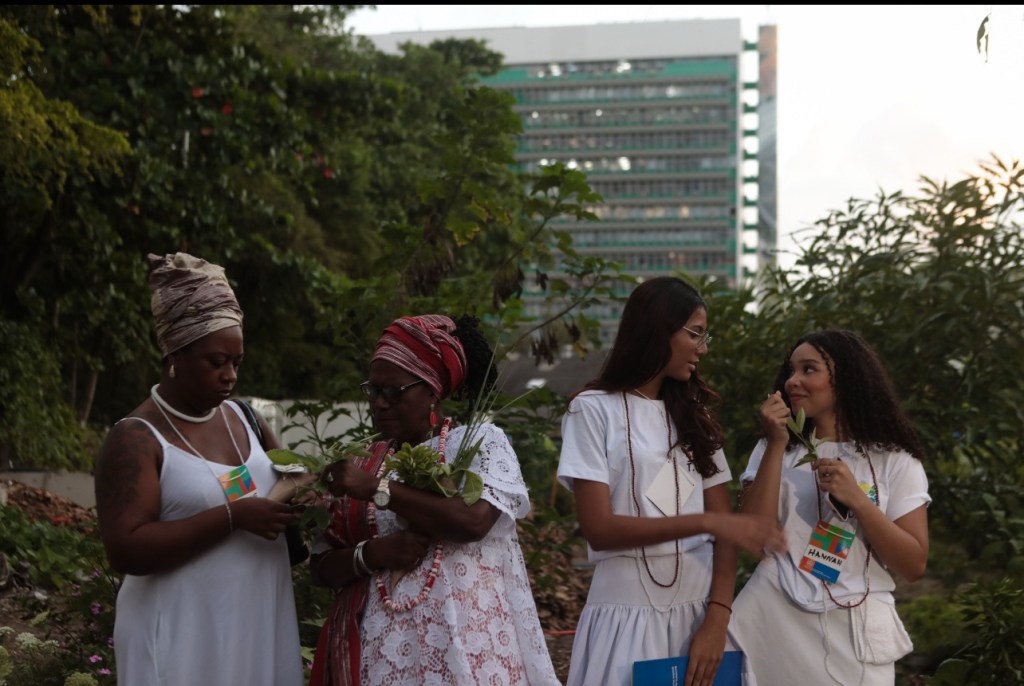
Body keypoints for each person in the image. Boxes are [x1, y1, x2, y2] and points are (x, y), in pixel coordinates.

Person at [556, 276, 786, 686]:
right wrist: (706, 522)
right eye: (695, 333)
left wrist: (717, 619)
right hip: (622, 614)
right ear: (657, 329)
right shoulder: (591, 411)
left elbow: (726, 537)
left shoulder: (697, 418)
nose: (704, 348)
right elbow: (600, 529)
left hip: (699, 616)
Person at [310, 314, 560, 686]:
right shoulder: (364, 462)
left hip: (473, 650)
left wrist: (380, 490)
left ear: (431, 390)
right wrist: (375, 554)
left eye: (394, 392)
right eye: (373, 391)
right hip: (387, 655)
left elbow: (472, 522)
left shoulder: (481, 443)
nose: (379, 403)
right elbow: (321, 566)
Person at [94, 252, 305, 686]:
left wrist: (308, 490)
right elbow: (125, 549)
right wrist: (233, 517)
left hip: (253, 622)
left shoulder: (246, 418)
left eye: (236, 363)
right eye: (216, 362)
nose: (230, 376)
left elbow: (290, 481)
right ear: (175, 353)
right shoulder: (136, 438)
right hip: (182, 632)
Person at [733, 329, 930, 685]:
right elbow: (752, 539)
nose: (793, 380)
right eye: (791, 370)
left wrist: (858, 501)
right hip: (775, 620)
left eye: (809, 369)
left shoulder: (895, 462)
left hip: (856, 629)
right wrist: (777, 443)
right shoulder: (773, 450)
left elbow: (913, 564)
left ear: (847, 379)